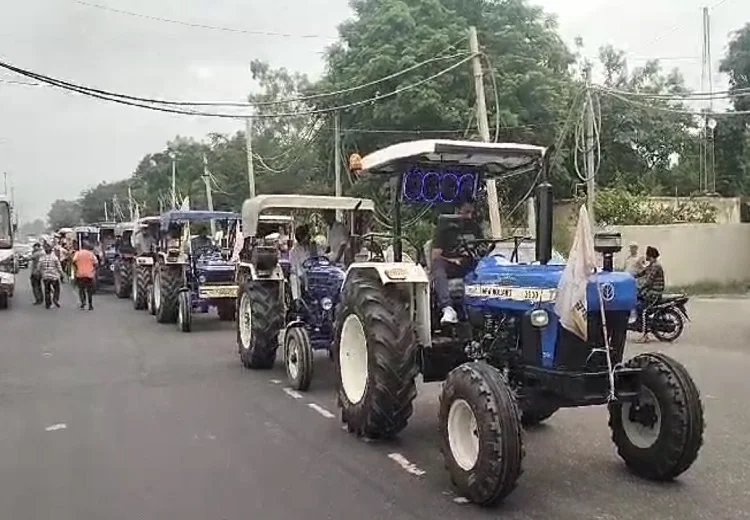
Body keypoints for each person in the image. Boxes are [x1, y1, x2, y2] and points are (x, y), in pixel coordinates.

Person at [430, 200, 483, 325]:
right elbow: (435, 256)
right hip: (450, 264)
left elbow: (483, 247)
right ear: (457, 210)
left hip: (470, 263)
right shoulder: (444, 228)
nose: (469, 216)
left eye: (472, 213)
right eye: (466, 212)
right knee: (437, 265)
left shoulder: (474, 227)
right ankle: (448, 308)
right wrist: (453, 260)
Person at [633, 246, 665, 342]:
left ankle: (645, 335)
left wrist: (639, 287)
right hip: (651, 292)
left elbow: (648, 281)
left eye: (647, 254)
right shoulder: (651, 265)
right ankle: (638, 324)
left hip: (654, 293)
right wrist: (630, 276)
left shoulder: (656, 266)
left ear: (650, 255)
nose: (645, 256)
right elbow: (642, 272)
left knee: (643, 309)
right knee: (637, 302)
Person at [289, 224, 317, 303]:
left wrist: (314, 250)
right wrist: (304, 277)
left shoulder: (312, 247)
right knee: (294, 278)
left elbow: (318, 259)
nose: (309, 238)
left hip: (313, 273)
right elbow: (295, 269)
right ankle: (297, 301)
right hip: (301, 274)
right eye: (306, 236)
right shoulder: (294, 251)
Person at [72, 241, 98, 310]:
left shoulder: (78, 253)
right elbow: (96, 263)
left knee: (81, 290)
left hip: (80, 274)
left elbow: (73, 261)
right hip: (89, 275)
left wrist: (77, 267)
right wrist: (93, 269)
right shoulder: (91, 254)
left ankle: (83, 303)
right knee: (89, 291)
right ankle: (90, 305)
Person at [38, 242, 63, 309]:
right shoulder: (54, 257)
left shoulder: (42, 258)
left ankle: (48, 304)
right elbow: (59, 266)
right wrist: (61, 273)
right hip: (54, 276)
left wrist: (41, 273)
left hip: (45, 276)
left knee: (47, 290)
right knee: (57, 289)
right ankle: (55, 298)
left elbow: (39, 267)